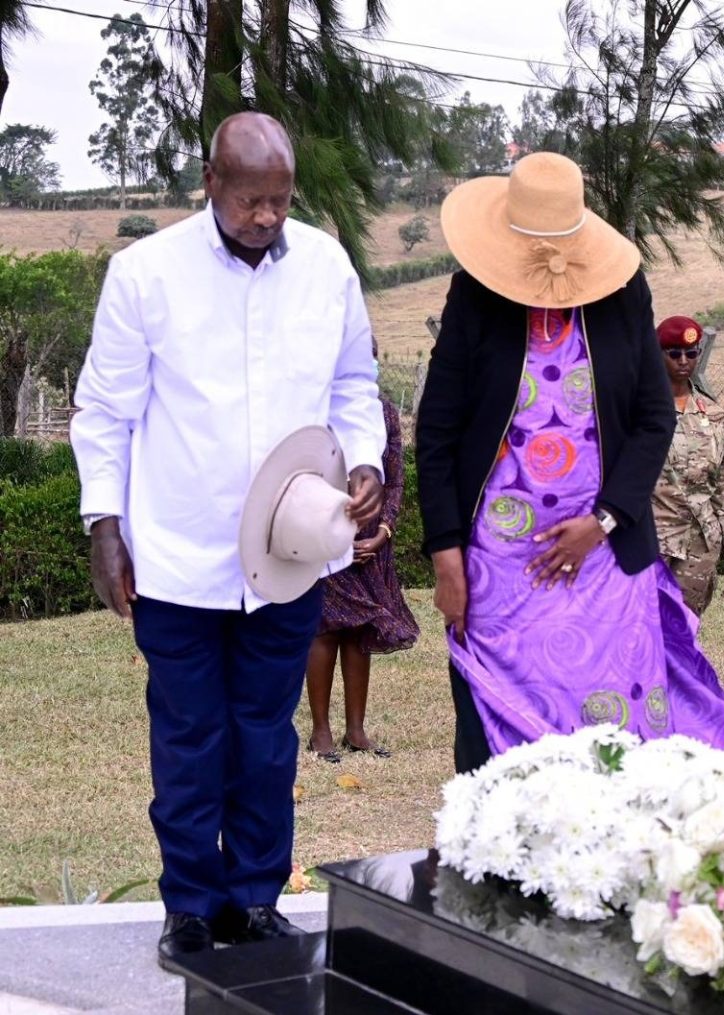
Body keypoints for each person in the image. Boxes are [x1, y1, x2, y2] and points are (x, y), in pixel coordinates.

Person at [70, 113, 386, 964]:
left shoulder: (326, 267)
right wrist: (107, 526)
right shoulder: (145, 274)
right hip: (177, 560)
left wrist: (366, 461)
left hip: (287, 559)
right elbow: (104, 413)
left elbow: (355, 383)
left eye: (281, 201)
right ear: (211, 182)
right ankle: (190, 908)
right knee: (189, 738)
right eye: (251, 200)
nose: (267, 217)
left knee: (264, 736)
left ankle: (253, 898)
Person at [415, 152, 724, 772]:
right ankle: (501, 861)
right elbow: (438, 430)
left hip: (604, 563)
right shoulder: (475, 294)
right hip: (498, 571)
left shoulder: (621, 293)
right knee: (491, 737)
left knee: (617, 736)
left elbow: (654, 418)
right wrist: (447, 555)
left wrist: (603, 521)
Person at [304, 387, 420, 762]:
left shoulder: (384, 410)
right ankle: (321, 732)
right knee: (326, 628)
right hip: (327, 534)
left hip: (373, 545)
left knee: (361, 630)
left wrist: (383, 532)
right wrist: (331, 533)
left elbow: (395, 478)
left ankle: (356, 731)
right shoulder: (314, 405)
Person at [650, 315, 724, 617]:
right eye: (674, 352)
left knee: (685, 632)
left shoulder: (713, 414)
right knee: (640, 631)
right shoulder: (638, 409)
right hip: (650, 540)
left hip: (700, 545)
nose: (683, 360)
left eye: (691, 354)